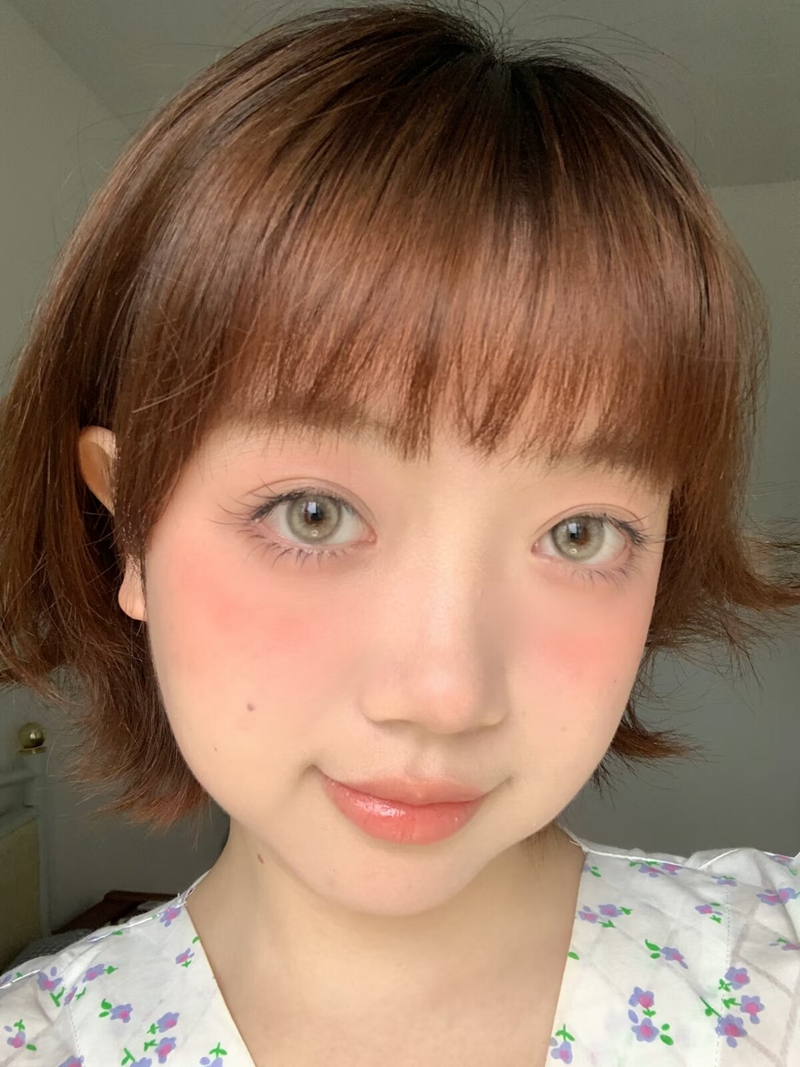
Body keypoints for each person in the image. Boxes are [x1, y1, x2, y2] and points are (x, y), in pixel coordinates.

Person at [0, 2, 798, 1064]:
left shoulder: (771, 978)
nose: (444, 695)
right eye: (313, 513)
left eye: (578, 533)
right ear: (130, 524)